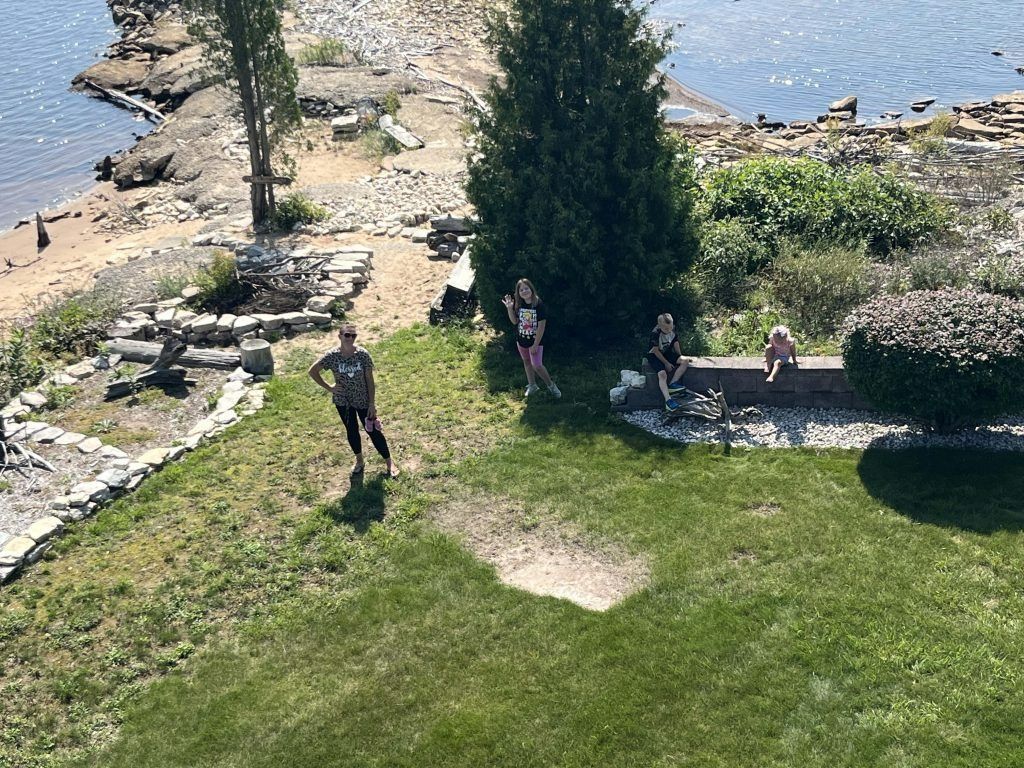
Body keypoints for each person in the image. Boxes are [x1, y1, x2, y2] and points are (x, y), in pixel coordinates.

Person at [308, 323, 400, 478]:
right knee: (352, 431)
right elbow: (312, 371)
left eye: (353, 335)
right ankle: (359, 461)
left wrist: (372, 403)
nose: (350, 338)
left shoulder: (362, 354)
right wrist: (329, 388)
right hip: (343, 401)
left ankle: (389, 462)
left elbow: (370, 379)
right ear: (340, 336)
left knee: (374, 430)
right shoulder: (332, 356)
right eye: (347, 335)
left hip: (363, 399)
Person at [501, 278, 561, 399]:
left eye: (526, 288)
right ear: (518, 293)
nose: (524, 291)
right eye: (521, 289)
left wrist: (535, 344)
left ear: (531, 289)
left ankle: (551, 386)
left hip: (535, 341)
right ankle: (532, 385)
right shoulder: (519, 304)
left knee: (537, 365)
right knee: (527, 362)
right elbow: (514, 321)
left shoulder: (538, 304)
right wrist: (509, 308)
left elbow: (541, 326)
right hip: (521, 340)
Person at [647, 313, 691, 412]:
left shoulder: (672, 328)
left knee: (685, 361)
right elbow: (655, 350)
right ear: (659, 326)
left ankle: (673, 384)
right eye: (666, 329)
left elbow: (675, 342)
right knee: (662, 374)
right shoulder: (655, 333)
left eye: (670, 328)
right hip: (655, 355)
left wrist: (679, 355)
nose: (669, 331)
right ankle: (668, 400)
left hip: (667, 353)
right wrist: (666, 363)